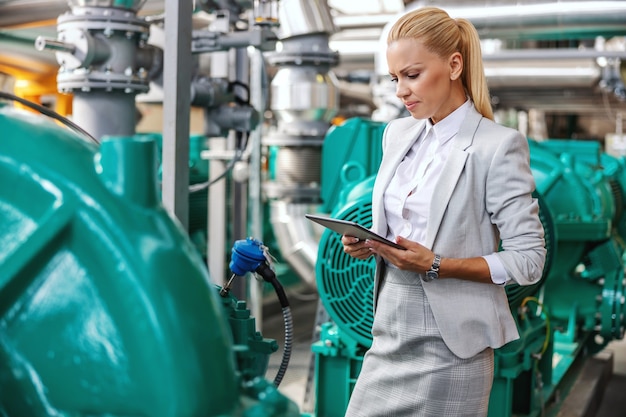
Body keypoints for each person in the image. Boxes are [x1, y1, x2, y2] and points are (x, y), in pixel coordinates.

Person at [341, 6, 546, 417]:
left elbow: (529, 260)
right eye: (395, 78)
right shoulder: (396, 134)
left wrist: (438, 264)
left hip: (453, 347)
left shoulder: (497, 146)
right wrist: (372, 243)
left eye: (412, 75)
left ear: (454, 65)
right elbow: (405, 227)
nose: (401, 91)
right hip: (389, 330)